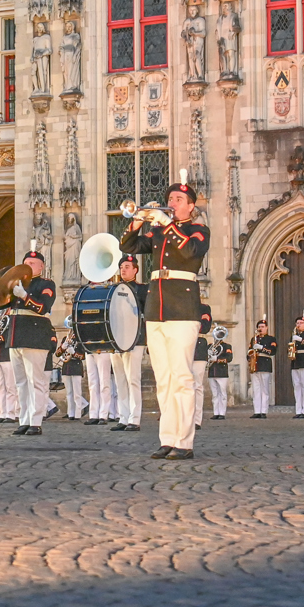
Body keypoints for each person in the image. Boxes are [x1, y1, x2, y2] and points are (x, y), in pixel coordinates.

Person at [120, 172, 210, 460]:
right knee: (164, 378)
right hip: (156, 307)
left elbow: (191, 252)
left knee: (182, 376)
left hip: (182, 307)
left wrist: (168, 224)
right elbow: (128, 247)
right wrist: (137, 221)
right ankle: (167, 438)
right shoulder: (158, 233)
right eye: (170, 198)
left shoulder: (198, 229)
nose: (172, 202)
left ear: (191, 206)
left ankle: (184, 441)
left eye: (178, 199)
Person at [7, 250, 57, 437]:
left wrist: (24, 296)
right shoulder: (17, 283)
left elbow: (43, 307)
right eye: (26, 262)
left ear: (42, 266)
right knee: (21, 382)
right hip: (16, 334)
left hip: (34, 335)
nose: (29, 265)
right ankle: (24, 419)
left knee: (36, 381)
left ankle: (36, 421)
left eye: (33, 263)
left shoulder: (46, 284)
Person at [109, 255, 147, 432]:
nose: (123, 270)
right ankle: (123, 417)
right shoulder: (113, 289)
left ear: (135, 270)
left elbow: (145, 312)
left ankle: (134, 418)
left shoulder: (143, 289)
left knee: (133, 379)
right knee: (120, 380)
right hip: (116, 337)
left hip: (135, 339)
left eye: (127, 267)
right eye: (121, 267)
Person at [0, 319, 19, 425]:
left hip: (7, 357)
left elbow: (5, 337)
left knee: (10, 387)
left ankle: (11, 414)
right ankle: (2, 413)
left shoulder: (10, 321)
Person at [248, 319, 276, 417]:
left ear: (266, 328)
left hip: (265, 365)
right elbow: (249, 351)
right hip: (255, 365)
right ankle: (257, 411)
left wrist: (261, 348)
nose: (260, 329)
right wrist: (250, 357)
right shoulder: (254, 339)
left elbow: (273, 351)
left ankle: (263, 411)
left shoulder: (271, 339)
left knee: (264, 389)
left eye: (262, 327)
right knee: (256, 389)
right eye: (259, 327)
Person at [191, 305, 212, 429]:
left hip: (198, 348)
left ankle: (196, 419)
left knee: (197, 385)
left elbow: (204, 327)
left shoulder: (203, 308)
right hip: (182, 348)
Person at [59, 336, 88, 421]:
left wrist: (74, 353)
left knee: (77, 393)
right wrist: (63, 347)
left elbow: (83, 356)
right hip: (66, 368)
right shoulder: (65, 339)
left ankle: (78, 413)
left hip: (76, 367)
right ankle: (70, 413)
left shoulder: (80, 339)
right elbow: (57, 354)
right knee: (69, 393)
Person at [207, 328, 232, 420]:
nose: (217, 337)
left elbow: (229, 358)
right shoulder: (210, 346)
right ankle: (216, 412)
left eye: (219, 335)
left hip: (222, 372)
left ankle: (222, 413)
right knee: (214, 394)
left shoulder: (226, 346)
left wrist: (217, 359)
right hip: (212, 372)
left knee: (222, 393)